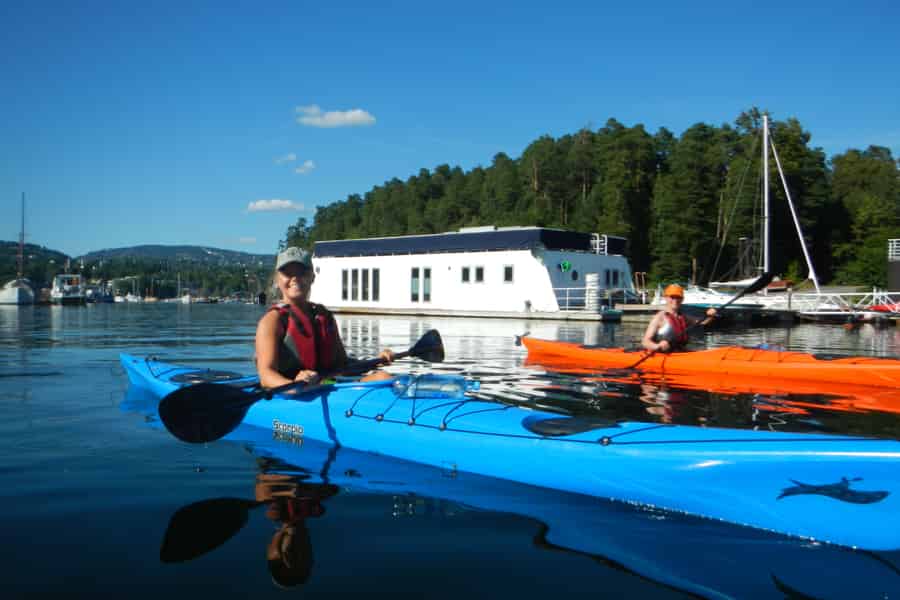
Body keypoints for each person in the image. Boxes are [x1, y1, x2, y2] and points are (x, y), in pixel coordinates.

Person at [255, 247, 394, 389]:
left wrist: (377, 360)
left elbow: (342, 365)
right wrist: (294, 386)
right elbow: (266, 376)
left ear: (312, 277)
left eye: (302, 273)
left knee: (383, 377)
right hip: (292, 391)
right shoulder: (272, 321)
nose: (295, 278)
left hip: (327, 384)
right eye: (287, 273)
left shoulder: (323, 316)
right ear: (277, 280)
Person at [641, 284, 717, 353]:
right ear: (666, 298)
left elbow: (702, 323)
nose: (675, 300)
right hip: (661, 354)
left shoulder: (684, 317)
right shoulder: (659, 318)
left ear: (682, 299)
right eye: (672, 297)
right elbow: (645, 342)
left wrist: (710, 316)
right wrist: (657, 346)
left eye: (678, 297)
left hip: (680, 353)